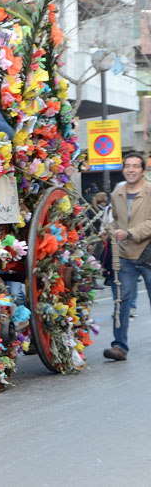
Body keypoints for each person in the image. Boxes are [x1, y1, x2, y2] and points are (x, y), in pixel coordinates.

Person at [103, 152, 151, 361]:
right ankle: (119, 346)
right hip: (124, 254)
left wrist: (130, 233)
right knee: (121, 302)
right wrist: (108, 230)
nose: (131, 170)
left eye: (135, 166)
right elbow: (115, 220)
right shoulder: (117, 194)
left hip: (147, 252)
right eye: (127, 166)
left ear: (143, 170)